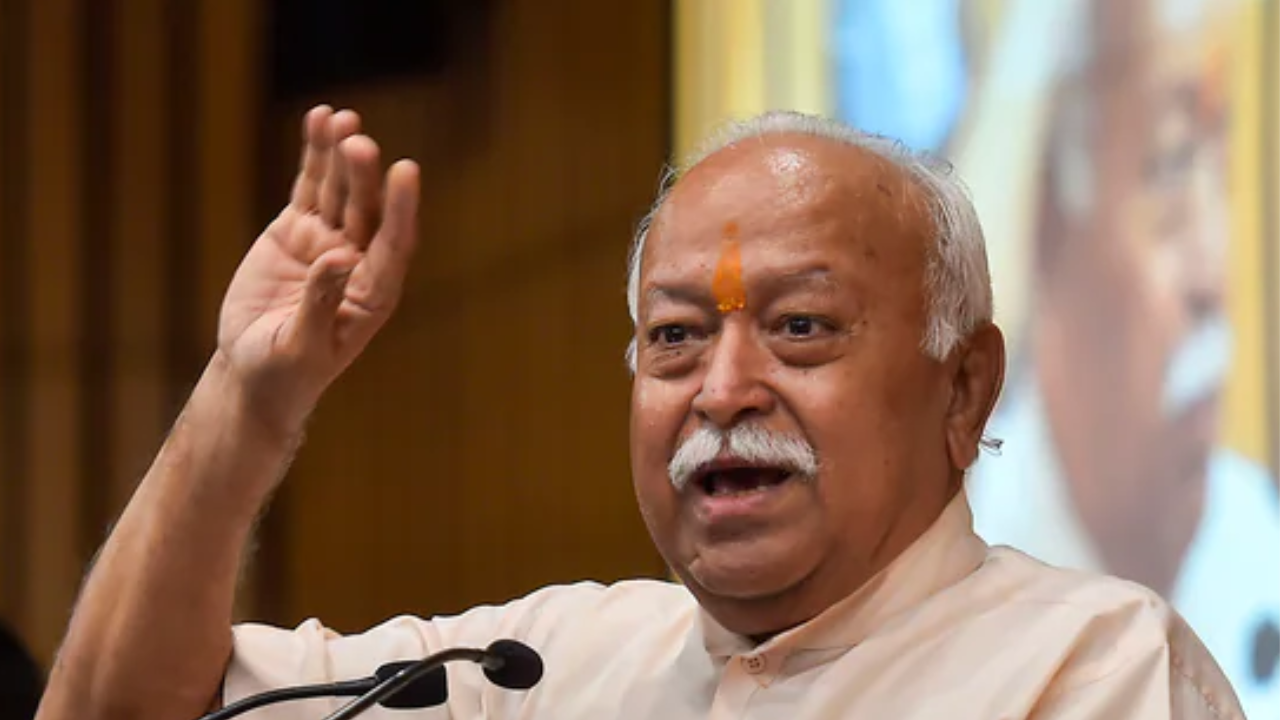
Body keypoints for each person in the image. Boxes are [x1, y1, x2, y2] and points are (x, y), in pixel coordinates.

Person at [36, 106, 1247, 720]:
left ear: (963, 385)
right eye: (673, 337)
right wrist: (245, 402)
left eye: (800, 327)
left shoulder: (1090, 668)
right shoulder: (533, 672)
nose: (719, 391)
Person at [964, 1, 1280, 715]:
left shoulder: (1260, 541)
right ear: (1048, 223)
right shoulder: (946, 579)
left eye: (1222, 170)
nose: (1214, 268)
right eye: (1169, 165)